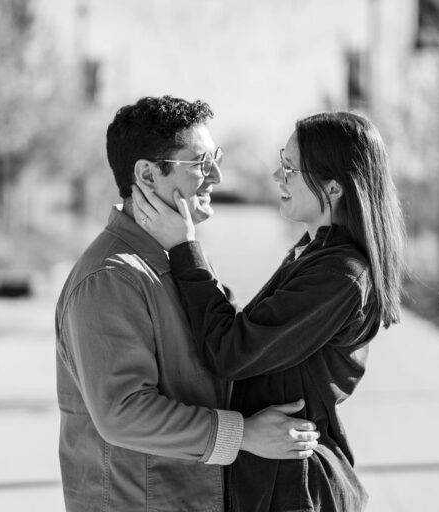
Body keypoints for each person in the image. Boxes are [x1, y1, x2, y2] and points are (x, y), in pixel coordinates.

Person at [55, 95, 321, 512]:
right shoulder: (110, 277)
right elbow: (122, 412)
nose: (217, 175)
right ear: (147, 174)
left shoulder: (174, 256)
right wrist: (245, 434)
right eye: (200, 163)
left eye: (215, 158)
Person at [132, 111, 406, 511]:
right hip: (278, 481)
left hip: (295, 489)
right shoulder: (316, 255)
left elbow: (230, 351)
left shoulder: (339, 276)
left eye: (291, 168)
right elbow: (248, 332)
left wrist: (185, 249)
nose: (278, 176)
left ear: (333, 187)